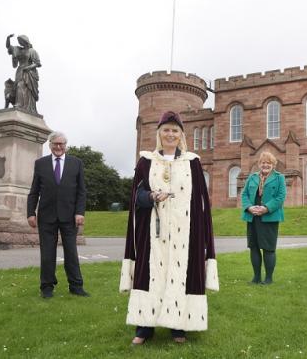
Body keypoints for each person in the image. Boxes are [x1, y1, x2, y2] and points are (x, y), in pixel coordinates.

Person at [119, 111, 219, 345]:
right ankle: (144, 327)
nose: (170, 134)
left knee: (181, 272)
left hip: (185, 231)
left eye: (175, 130)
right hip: (153, 232)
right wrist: (152, 195)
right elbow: (136, 195)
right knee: (149, 273)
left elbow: (200, 200)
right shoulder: (146, 162)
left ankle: (178, 326)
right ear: (159, 133)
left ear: (181, 135)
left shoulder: (192, 162)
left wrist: (200, 232)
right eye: (166, 130)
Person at [27, 131, 88, 299]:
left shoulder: (77, 163)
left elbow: (82, 191)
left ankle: (76, 286)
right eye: (56, 144)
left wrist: (79, 212)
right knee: (47, 253)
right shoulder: (40, 164)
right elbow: (34, 191)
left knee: (71, 252)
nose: (59, 147)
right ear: (50, 145)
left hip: (70, 217)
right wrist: (30, 213)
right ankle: (46, 287)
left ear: (66, 146)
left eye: (62, 144)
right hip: (46, 216)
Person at [241, 151, 286, 285]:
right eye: (263, 162)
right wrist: (249, 207)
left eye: (268, 163)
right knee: (254, 247)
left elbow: (280, 197)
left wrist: (266, 208)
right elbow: (244, 195)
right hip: (253, 217)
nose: (265, 165)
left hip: (269, 217)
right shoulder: (252, 177)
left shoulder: (279, 178)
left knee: (268, 248)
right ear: (259, 164)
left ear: (273, 164)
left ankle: (268, 279)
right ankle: (256, 278)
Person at [6, 34, 41, 114]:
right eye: (19, 41)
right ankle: (19, 104)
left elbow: (37, 63)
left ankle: (21, 105)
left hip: (29, 72)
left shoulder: (32, 51)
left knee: (21, 86)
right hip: (20, 71)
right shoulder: (18, 50)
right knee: (17, 85)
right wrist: (8, 38)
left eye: (21, 41)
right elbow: (8, 47)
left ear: (25, 41)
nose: (20, 42)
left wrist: (28, 68)